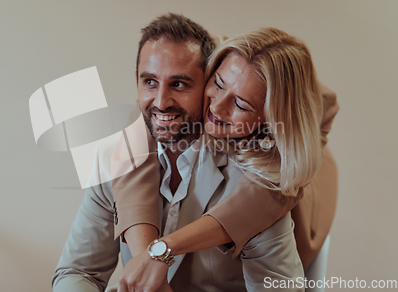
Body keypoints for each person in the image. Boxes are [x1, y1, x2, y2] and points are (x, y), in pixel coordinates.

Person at [52, 14, 307, 292]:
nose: (161, 102)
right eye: (149, 81)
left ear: (203, 80)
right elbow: (77, 272)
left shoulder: (258, 181)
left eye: (179, 84)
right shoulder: (118, 155)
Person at [113, 19, 339, 292]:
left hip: (300, 203)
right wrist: (148, 262)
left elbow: (262, 200)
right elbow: (138, 133)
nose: (216, 108)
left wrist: (163, 249)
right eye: (217, 84)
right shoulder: (220, 55)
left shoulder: (287, 150)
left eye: (241, 104)